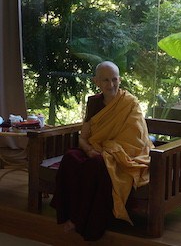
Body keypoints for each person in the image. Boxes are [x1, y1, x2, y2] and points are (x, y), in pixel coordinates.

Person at [50, 61, 154, 241]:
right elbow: (83, 137)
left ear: (120, 79)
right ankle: (65, 213)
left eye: (114, 79)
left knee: (96, 165)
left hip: (121, 153)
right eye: (105, 80)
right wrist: (89, 150)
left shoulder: (130, 103)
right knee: (70, 157)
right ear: (96, 82)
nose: (111, 84)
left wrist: (106, 150)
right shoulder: (94, 103)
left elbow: (135, 139)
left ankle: (80, 220)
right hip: (95, 148)